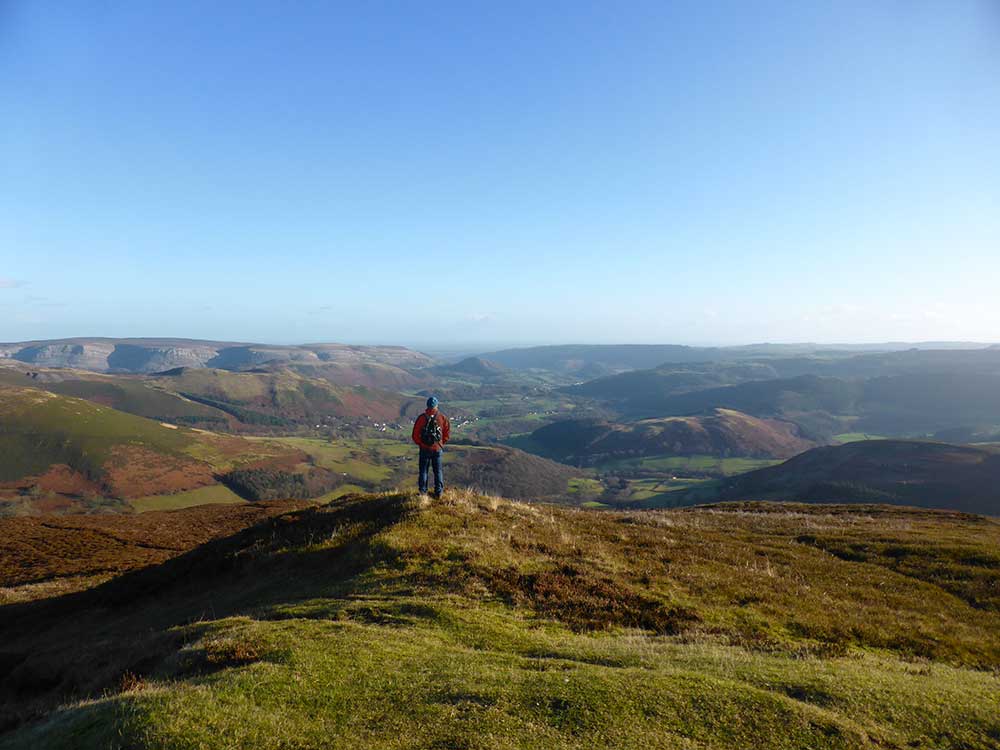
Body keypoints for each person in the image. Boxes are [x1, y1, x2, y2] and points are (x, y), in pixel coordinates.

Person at [411, 395, 450, 498]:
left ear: (427, 406)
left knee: (423, 471)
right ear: (436, 406)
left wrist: (421, 444)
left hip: (424, 449)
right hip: (437, 449)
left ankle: (423, 492)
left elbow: (415, 435)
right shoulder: (442, 418)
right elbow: (447, 434)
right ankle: (439, 492)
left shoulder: (421, 418)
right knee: (438, 471)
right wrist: (440, 444)